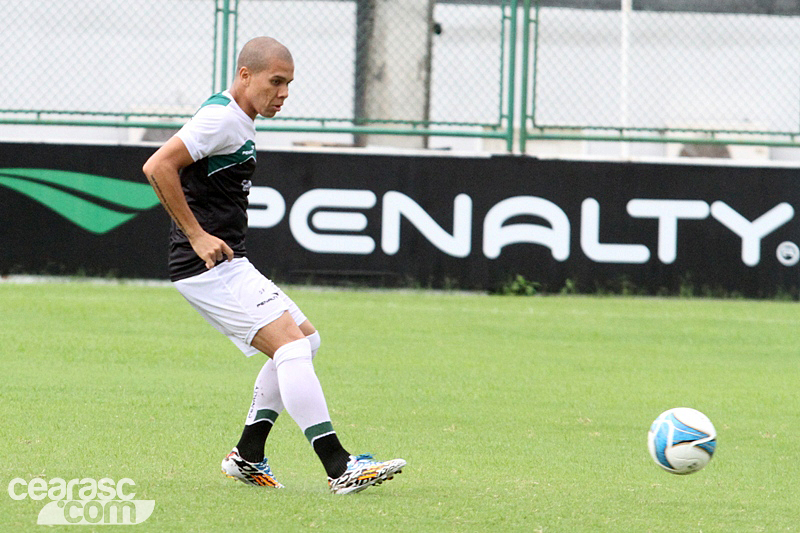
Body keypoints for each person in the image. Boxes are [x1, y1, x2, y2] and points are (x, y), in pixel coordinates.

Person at [142, 36, 405, 494]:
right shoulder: (221, 119)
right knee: (291, 349)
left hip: (229, 262)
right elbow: (157, 166)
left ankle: (247, 454)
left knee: (306, 340)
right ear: (245, 76)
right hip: (206, 266)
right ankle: (338, 465)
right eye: (276, 82)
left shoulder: (237, 116)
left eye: (289, 84)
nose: (283, 93)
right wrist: (198, 235)